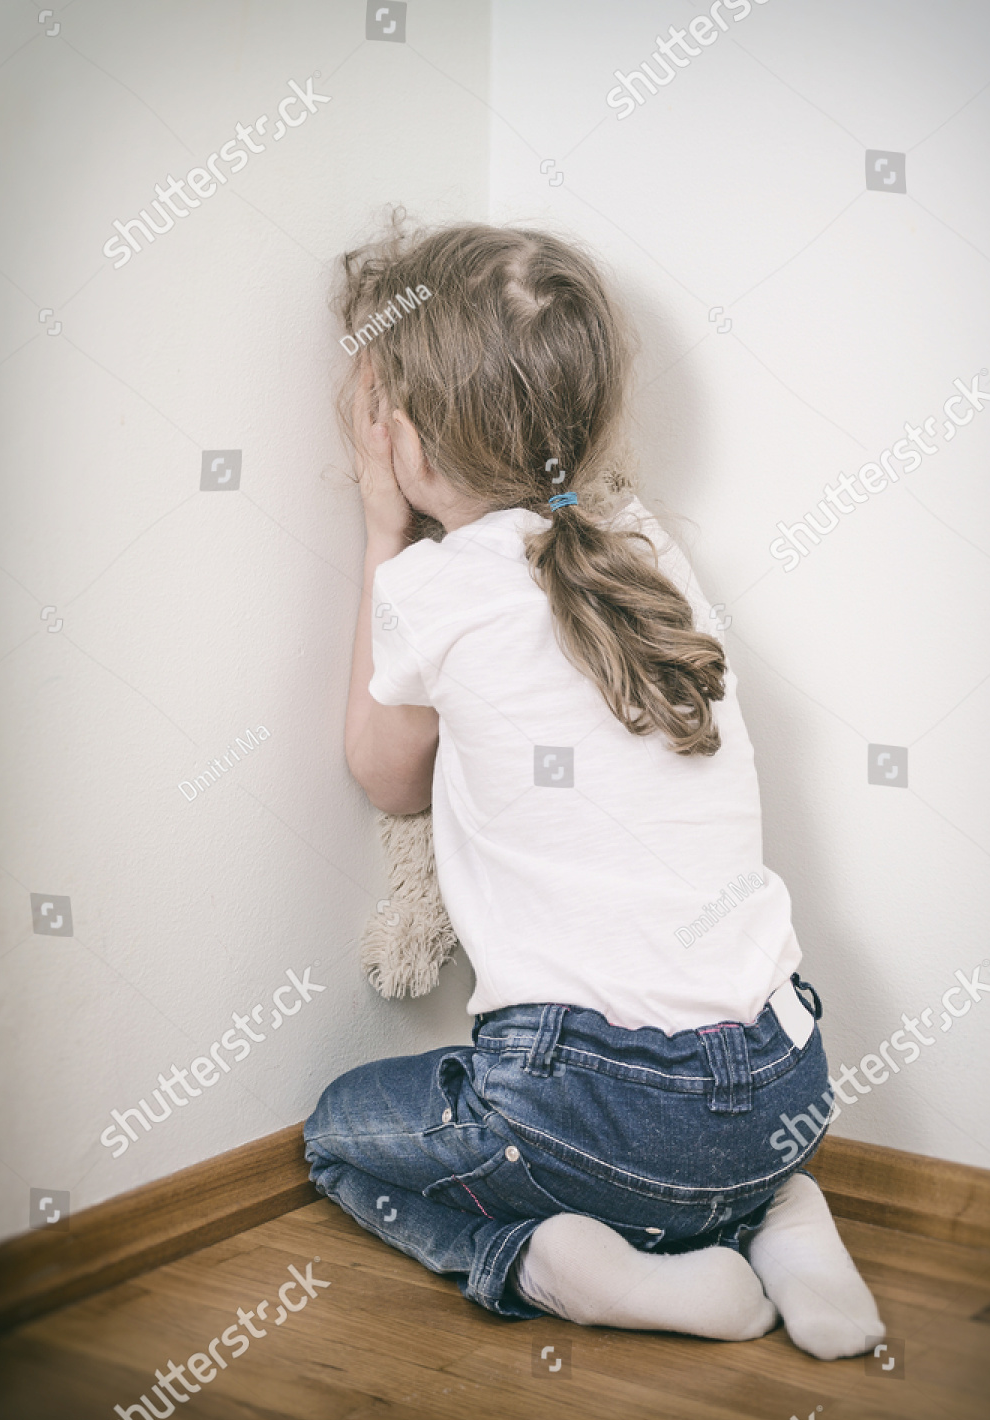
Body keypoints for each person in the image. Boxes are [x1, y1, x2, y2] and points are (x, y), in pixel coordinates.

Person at [304, 220, 885, 1360]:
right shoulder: (644, 548)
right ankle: (777, 1210)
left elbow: (384, 770)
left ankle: (544, 1264)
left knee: (335, 1134)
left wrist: (383, 530)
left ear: (410, 441)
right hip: (783, 1081)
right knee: (703, 1153)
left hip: (587, 1114)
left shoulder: (434, 587)